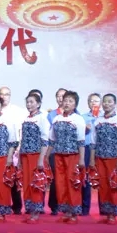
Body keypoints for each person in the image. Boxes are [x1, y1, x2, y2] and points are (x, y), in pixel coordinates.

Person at [89, 93, 117, 224]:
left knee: (114, 186)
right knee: (103, 186)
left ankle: (113, 214)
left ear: (114, 104)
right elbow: (93, 142)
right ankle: (106, 212)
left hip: (114, 159)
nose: (106, 104)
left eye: (110, 101)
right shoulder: (97, 121)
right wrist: (92, 160)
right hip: (100, 158)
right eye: (104, 101)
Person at [49, 90, 86, 223]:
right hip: (58, 155)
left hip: (73, 156)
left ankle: (74, 212)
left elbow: (81, 141)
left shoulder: (78, 119)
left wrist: (81, 159)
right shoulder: (56, 119)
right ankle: (66, 211)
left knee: (72, 183)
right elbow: (52, 140)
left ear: (75, 104)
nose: (67, 103)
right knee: (61, 183)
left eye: (70, 101)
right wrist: (46, 156)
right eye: (65, 100)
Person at [19, 92, 50, 223]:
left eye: (32, 102)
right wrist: (20, 158)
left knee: (36, 183)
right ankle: (30, 210)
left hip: (36, 155)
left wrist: (41, 158)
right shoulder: (26, 118)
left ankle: (36, 212)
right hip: (25, 155)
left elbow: (45, 140)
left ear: (38, 104)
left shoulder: (42, 118)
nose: (29, 104)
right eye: (27, 102)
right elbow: (22, 139)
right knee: (26, 183)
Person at [0, 86, 25, 215]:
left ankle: (17, 206)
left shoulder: (16, 111)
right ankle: (3, 204)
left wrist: (18, 147)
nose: (4, 97)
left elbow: (20, 131)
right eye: (2, 94)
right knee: (2, 178)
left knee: (13, 178)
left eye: (7, 94)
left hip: (14, 148)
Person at [45, 87, 67, 215]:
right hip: (54, 151)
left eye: (63, 96)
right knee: (55, 179)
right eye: (58, 96)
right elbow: (49, 135)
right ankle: (54, 205)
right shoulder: (52, 115)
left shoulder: (76, 114)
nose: (61, 98)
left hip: (70, 152)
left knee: (67, 179)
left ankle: (67, 204)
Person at [81, 92, 101, 216]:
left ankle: (105, 208)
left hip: (102, 149)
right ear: (88, 103)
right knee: (86, 178)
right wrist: (84, 129)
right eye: (91, 101)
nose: (94, 103)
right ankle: (84, 207)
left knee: (102, 178)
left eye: (96, 101)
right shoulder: (82, 117)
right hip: (87, 149)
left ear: (101, 103)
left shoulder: (104, 117)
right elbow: (78, 134)